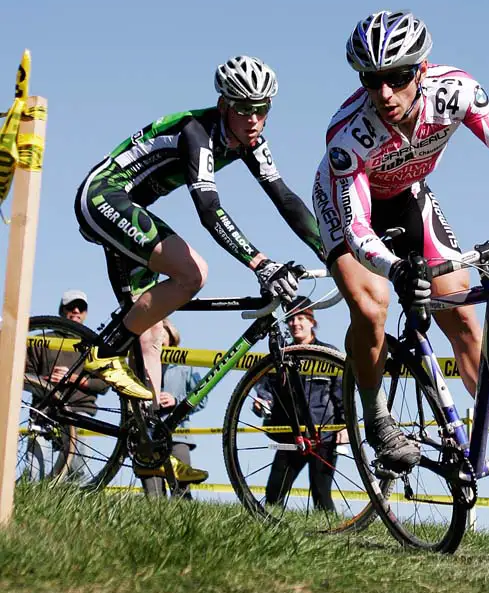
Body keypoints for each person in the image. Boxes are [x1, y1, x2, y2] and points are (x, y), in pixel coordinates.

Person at [312, 9, 489, 475]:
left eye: (397, 77)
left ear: (420, 69)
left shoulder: (455, 91)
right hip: (348, 210)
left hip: (407, 195)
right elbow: (359, 228)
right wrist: (396, 268)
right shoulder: (349, 134)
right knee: (372, 304)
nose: (384, 94)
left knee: (461, 311)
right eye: (371, 80)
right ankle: (377, 418)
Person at [74, 56, 325, 413]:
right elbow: (209, 210)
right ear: (224, 105)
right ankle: (105, 351)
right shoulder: (197, 133)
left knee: (151, 332)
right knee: (193, 274)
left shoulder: (251, 141)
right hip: (104, 196)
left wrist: (332, 251)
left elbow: (285, 199)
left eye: (262, 108)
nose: (253, 119)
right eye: (242, 108)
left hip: (133, 207)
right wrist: (260, 262)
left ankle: (151, 447)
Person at [252, 296, 344, 511]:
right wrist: (262, 402)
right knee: (273, 493)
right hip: (289, 433)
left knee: (321, 494)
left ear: (312, 322)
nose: (295, 323)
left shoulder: (328, 354)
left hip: (324, 434)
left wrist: (345, 425)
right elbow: (266, 389)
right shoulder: (281, 356)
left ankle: (329, 535)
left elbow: (342, 395)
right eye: (291, 319)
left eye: (301, 318)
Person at [23, 290, 109, 480]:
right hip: (44, 410)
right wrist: (44, 380)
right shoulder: (40, 340)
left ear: (86, 312)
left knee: (77, 471)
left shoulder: (92, 344)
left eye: (81, 307)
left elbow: (104, 384)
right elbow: (22, 377)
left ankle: (74, 505)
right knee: (34, 472)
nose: (76, 310)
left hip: (79, 411)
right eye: (71, 306)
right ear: (61, 310)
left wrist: (76, 379)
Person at [135, 318, 209, 497]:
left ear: (172, 342)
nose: (159, 342)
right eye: (155, 339)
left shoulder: (186, 368)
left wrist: (176, 401)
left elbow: (202, 398)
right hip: (148, 436)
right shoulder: (138, 366)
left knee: (182, 493)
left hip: (178, 437)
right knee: (152, 495)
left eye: (163, 339)